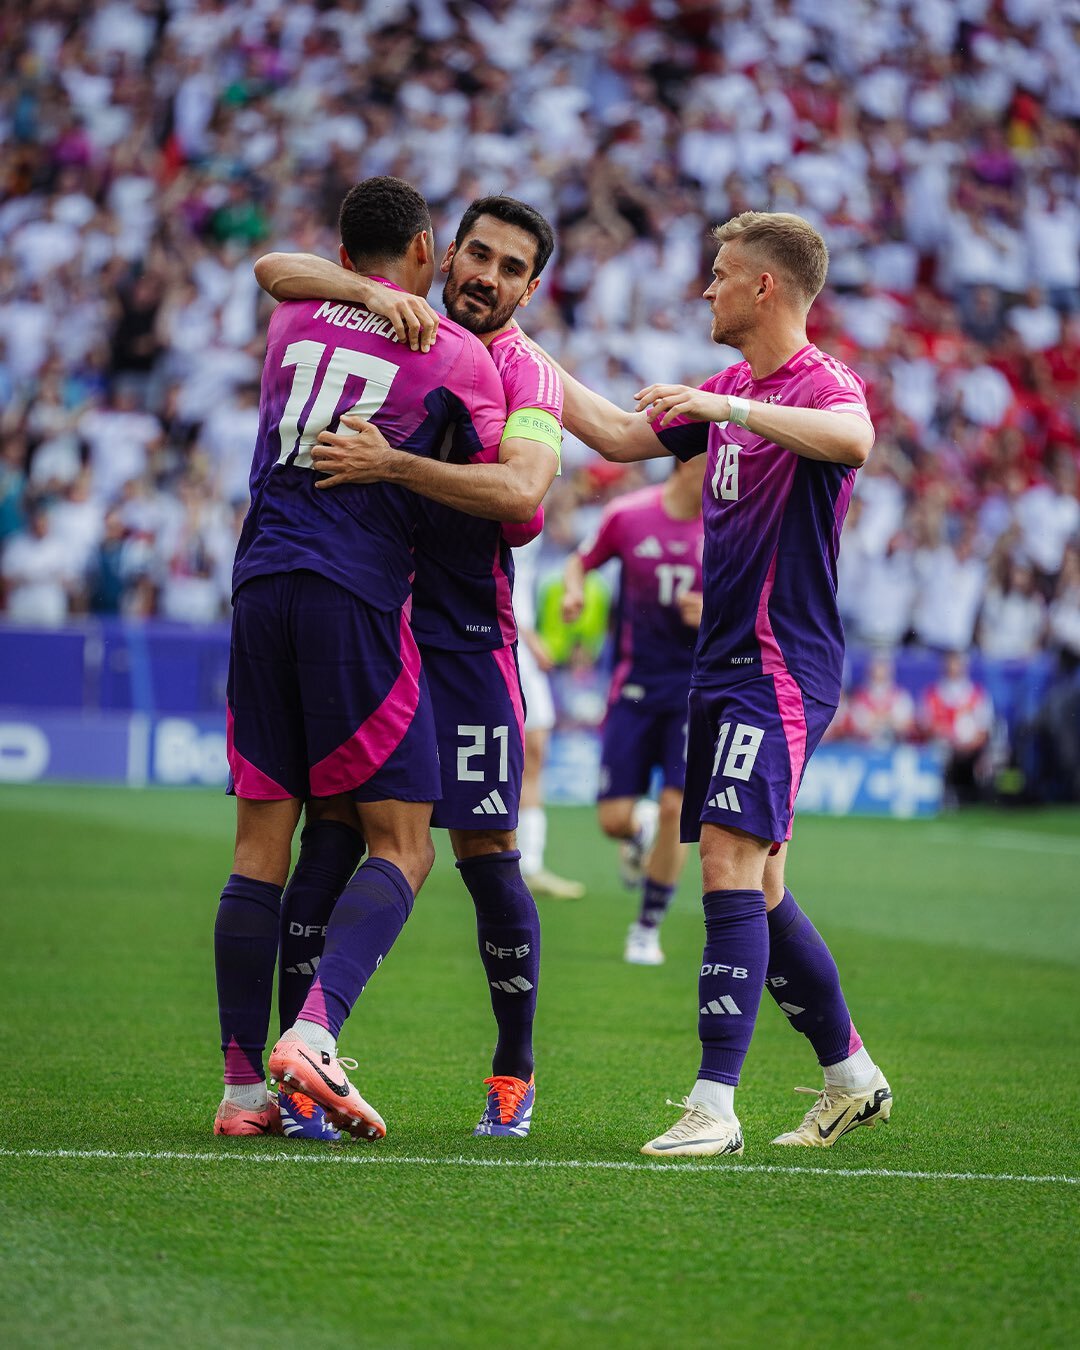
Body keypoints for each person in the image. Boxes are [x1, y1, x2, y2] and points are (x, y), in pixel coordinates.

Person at [536, 211, 892, 1156]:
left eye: (721, 273)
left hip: (779, 666)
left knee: (728, 864)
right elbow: (614, 434)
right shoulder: (727, 388)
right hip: (719, 668)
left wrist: (726, 411)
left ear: (764, 287)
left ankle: (712, 1106)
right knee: (764, 885)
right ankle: (850, 1074)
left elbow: (852, 441)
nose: (707, 288)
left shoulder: (816, 386)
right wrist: (515, 346)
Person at [214, 178, 552, 1141]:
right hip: (375, 619)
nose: (486, 276)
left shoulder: (524, 372)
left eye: (510, 268)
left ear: (530, 290)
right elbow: (285, 266)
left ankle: (511, 1071)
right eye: (476, 255)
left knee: (487, 857)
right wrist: (371, 296)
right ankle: (301, 1062)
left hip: (464, 641)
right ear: (438, 253)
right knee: (337, 842)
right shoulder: (410, 331)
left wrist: (398, 464)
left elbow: (525, 502)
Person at [561, 456, 705, 964]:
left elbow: (760, 601)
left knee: (676, 808)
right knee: (613, 820)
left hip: (696, 691)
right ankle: (637, 833)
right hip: (635, 686)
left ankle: (646, 928)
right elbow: (580, 561)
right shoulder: (629, 515)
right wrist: (575, 592)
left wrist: (714, 613)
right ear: (688, 464)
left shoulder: (729, 523)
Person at [514, 532, 586, 902]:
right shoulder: (504, 491)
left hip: (517, 635)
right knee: (523, 748)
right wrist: (527, 635)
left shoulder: (530, 496)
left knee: (533, 748)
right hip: (500, 634)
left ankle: (527, 861)